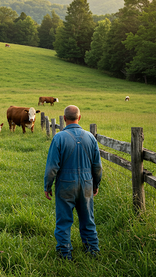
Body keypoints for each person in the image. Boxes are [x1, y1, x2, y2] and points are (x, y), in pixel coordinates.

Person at [44, 105, 102, 261]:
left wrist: (47, 186)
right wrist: (96, 184)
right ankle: (93, 252)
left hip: (65, 184)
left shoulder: (59, 138)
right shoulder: (90, 137)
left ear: (64, 118)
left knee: (64, 221)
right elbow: (97, 166)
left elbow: (52, 167)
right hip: (87, 183)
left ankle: (65, 255)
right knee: (88, 219)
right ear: (80, 117)